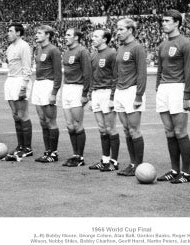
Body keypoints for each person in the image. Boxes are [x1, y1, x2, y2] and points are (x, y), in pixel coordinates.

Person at [155, 10, 190, 184]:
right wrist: (158, 87)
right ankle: (174, 170)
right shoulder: (163, 44)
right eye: (162, 21)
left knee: (180, 131)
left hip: (178, 88)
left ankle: (186, 173)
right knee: (169, 132)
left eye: (167, 21)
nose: (163, 23)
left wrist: (187, 95)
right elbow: (160, 69)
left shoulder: (185, 43)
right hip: (163, 89)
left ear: (177, 23)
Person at [113, 19, 147, 177]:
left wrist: (139, 95)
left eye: (121, 29)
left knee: (134, 130)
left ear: (130, 30)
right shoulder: (120, 48)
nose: (118, 32)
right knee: (126, 130)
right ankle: (132, 163)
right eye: (117, 29)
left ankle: (138, 165)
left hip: (132, 91)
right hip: (120, 91)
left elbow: (142, 73)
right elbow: (117, 72)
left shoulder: (137, 47)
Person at [88, 29, 120, 172]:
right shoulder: (93, 54)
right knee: (102, 129)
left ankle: (114, 161)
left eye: (96, 36)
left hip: (107, 92)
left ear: (105, 39)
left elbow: (116, 76)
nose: (92, 38)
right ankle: (105, 160)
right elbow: (91, 76)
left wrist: (113, 97)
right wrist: (90, 95)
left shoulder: (112, 53)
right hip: (96, 93)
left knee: (111, 129)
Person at [60, 28, 92, 167]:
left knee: (78, 124)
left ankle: (80, 157)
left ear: (77, 38)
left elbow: (87, 73)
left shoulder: (82, 51)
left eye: (68, 35)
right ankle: (74, 154)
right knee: (69, 125)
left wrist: (85, 94)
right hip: (66, 88)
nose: (65, 37)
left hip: (77, 89)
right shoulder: (66, 52)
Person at [33, 26, 62, 163]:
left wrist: (54, 92)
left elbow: (58, 73)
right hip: (38, 84)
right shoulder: (39, 49)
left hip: (48, 85)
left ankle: (54, 153)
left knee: (51, 121)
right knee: (42, 121)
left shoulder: (53, 50)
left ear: (48, 35)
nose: (36, 35)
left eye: (39, 33)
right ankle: (47, 151)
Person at [4, 23, 33, 158]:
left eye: (11, 31)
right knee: (15, 115)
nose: (8, 33)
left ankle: (27, 147)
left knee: (23, 114)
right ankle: (20, 145)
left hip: (20, 80)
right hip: (10, 80)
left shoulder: (24, 46)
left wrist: (24, 86)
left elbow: (27, 67)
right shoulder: (10, 47)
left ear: (18, 33)